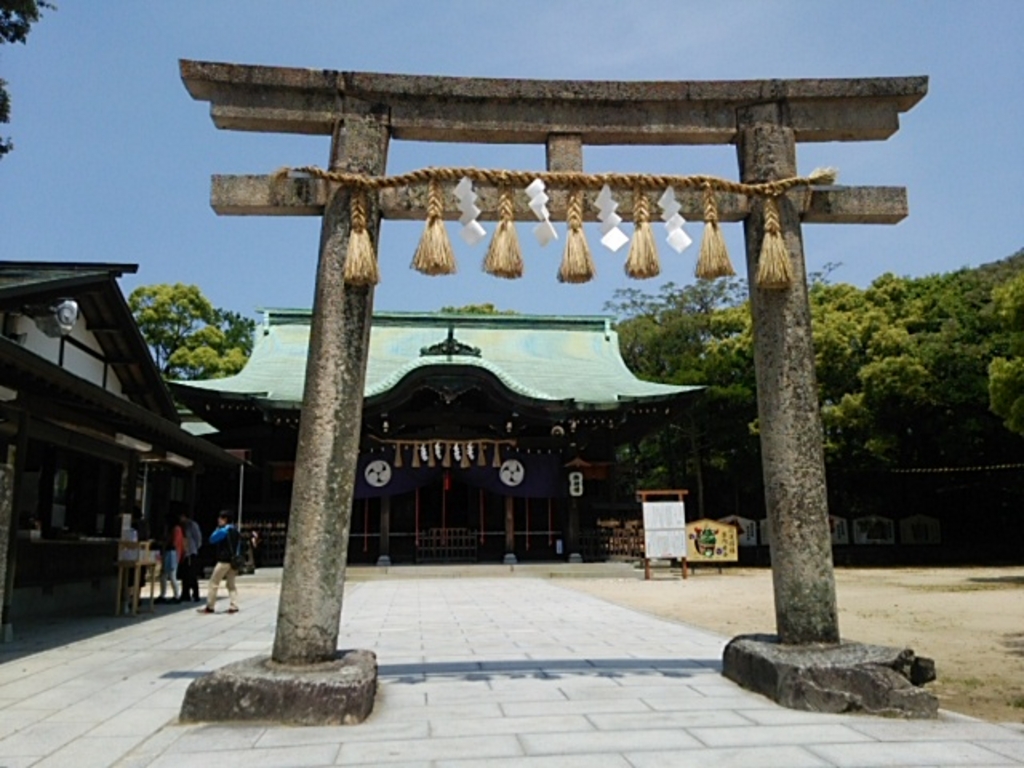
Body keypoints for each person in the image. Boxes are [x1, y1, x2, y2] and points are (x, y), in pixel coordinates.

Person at [198, 511, 241, 615]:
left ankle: (210, 606)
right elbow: (239, 547)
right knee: (231, 584)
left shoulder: (223, 531)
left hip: (224, 561)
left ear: (225, 519)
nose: (218, 520)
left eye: (220, 518)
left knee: (213, 583)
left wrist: (217, 529)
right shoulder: (236, 531)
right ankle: (234, 605)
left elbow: (212, 539)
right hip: (234, 561)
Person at [155, 514, 184, 604]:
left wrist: (164, 542)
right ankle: (163, 594)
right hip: (170, 553)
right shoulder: (174, 529)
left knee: (172, 575)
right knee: (163, 575)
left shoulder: (176, 529)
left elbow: (174, 543)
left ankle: (176, 595)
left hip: (172, 553)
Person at [178, 511, 203, 603]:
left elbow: (198, 538)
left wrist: (195, 548)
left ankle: (195, 593)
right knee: (184, 575)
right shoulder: (182, 526)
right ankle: (185, 594)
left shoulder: (192, 525)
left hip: (191, 552)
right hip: (184, 553)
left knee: (191, 575)